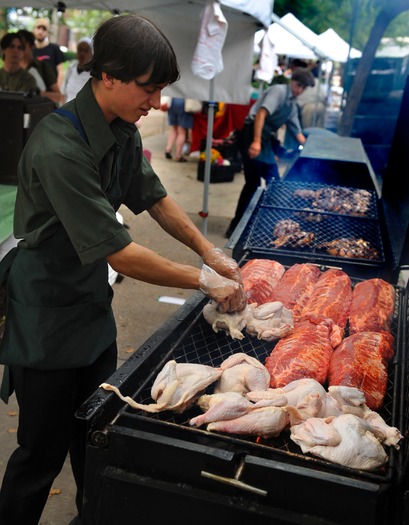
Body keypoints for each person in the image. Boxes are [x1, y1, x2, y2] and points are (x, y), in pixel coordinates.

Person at [0, 14, 246, 525]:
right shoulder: (58, 145)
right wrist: (202, 280)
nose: (155, 103)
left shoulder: (122, 129)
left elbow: (154, 197)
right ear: (107, 75)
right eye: (148, 88)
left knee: (97, 435)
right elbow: (121, 252)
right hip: (45, 311)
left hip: (90, 306)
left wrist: (209, 250)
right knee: (40, 454)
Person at [225, 67, 315, 238]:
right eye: (298, 85)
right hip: (252, 135)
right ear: (292, 81)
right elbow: (261, 114)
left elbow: (297, 132)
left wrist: (311, 149)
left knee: (276, 183)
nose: (300, 90)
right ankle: (235, 227)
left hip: (265, 142)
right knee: (253, 184)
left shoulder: (293, 105)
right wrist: (256, 142)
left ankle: (269, 224)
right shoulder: (279, 91)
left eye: (304, 88)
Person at [17, 29, 63, 107]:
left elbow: (59, 97)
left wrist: (38, 94)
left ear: (31, 46)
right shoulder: (13, 68)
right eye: (14, 46)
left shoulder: (42, 67)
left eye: (22, 46)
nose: (18, 50)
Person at [32, 17, 65, 87]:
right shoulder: (29, 49)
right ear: (34, 30)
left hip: (51, 91)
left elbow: (61, 71)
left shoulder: (55, 48)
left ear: (47, 32)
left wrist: (57, 91)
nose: (40, 32)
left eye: (44, 29)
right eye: (38, 28)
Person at [61, 37, 93, 103]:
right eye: (80, 50)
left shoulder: (93, 73)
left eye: (86, 50)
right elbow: (63, 93)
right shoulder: (71, 68)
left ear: (91, 53)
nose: (82, 53)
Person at [162, 97, 194, 162]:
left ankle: (168, 149)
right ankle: (178, 155)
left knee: (173, 129)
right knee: (181, 131)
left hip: (172, 102)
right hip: (184, 104)